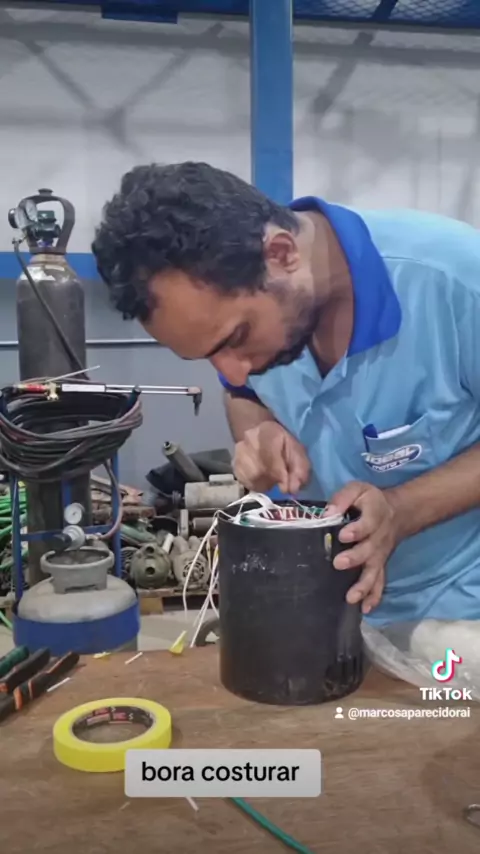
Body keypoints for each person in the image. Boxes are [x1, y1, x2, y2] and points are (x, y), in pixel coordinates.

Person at [91, 161, 480, 629]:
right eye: (208, 356)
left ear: (281, 253)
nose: (235, 370)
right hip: (328, 602)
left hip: (460, 608)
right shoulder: (255, 316)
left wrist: (400, 510)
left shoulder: (457, 280)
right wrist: (258, 432)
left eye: (236, 337)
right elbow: (242, 393)